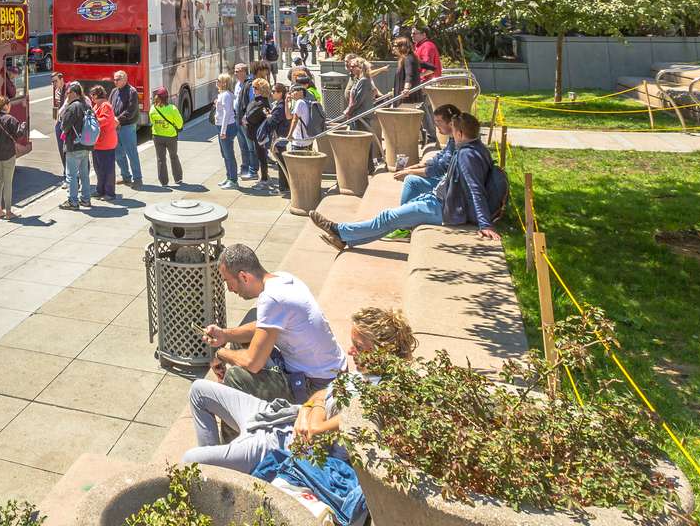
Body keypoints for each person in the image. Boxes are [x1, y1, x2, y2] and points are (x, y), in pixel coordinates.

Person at [182, 305, 415, 476]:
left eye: (360, 347)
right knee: (199, 390)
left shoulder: (375, 399)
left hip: (280, 443)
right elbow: (321, 394)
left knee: (191, 460)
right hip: (283, 415)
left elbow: (315, 432)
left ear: (383, 352)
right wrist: (310, 408)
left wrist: (312, 410)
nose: (351, 351)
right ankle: (215, 477)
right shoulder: (366, 374)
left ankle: (213, 472)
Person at [315, 112, 500, 251]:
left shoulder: (468, 154)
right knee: (392, 219)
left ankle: (339, 229)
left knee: (387, 217)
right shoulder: (475, 147)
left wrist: (485, 224)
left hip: (442, 208)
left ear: (459, 133)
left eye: (452, 130)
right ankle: (348, 240)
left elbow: (476, 189)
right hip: (438, 201)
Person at [203, 243, 346, 403]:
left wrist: (220, 353)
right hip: (333, 372)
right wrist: (225, 335)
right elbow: (261, 326)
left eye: (228, 281)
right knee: (239, 341)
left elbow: (253, 363)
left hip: (317, 387)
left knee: (235, 378)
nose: (229, 289)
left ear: (244, 277)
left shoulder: (272, 299)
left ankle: (241, 426)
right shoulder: (284, 279)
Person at [334, 56, 380, 170]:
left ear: (360, 67)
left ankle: (368, 166)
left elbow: (358, 100)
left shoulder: (364, 80)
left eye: (353, 66)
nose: (350, 68)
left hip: (361, 117)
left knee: (363, 142)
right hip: (357, 116)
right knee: (358, 142)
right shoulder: (358, 79)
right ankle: (363, 166)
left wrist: (348, 111)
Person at [56, 83, 93, 210]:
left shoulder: (72, 107)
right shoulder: (87, 105)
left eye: (68, 93)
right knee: (84, 174)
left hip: (74, 144)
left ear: (75, 93)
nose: (67, 95)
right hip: (86, 144)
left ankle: (72, 201)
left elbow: (64, 125)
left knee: (71, 175)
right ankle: (86, 199)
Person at [0, 95, 23, 219]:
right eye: (9, 104)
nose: (10, 106)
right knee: (8, 183)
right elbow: (18, 134)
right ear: (5, 106)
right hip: (8, 156)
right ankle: (8, 212)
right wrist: (23, 126)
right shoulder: (10, 119)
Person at [109, 70, 144, 189]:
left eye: (117, 79)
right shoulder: (114, 91)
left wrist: (118, 120)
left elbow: (131, 110)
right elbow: (110, 106)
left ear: (125, 79)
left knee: (131, 153)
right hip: (115, 126)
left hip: (127, 126)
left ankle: (138, 178)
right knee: (118, 153)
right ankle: (125, 176)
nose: (115, 81)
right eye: (114, 79)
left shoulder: (132, 91)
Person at [242, 77, 274, 188]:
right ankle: (264, 177)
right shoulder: (260, 101)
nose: (253, 89)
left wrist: (246, 118)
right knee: (260, 155)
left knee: (262, 156)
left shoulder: (261, 102)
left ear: (261, 89)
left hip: (258, 134)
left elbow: (250, 116)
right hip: (255, 133)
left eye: (255, 88)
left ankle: (264, 179)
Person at [148, 86, 184, 186]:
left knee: (160, 159)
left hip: (157, 136)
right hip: (171, 137)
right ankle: (178, 179)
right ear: (167, 97)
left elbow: (152, 122)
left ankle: (163, 182)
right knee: (173, 157)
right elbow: (180, 124)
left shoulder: (153, 109)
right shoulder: (172, 109)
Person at [89, 85, 119, 201]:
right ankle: (100, 190)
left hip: (106, 143)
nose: (91, 98)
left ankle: (110, 193)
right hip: (97, 143)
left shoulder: (106, 105)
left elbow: (105, 120)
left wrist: (92, 121)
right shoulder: (96, 105)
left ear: (96, 95)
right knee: (98, 168)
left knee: (107, 169)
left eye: (92, 95)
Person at [213, 73, 240, 190]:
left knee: (228, 154)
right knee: (225, 154)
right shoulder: (223, 95)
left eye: (218, 80)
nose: (216, 82)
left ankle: (233, 180)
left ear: (224, 83)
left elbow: (227, 113)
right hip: (222, 126)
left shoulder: (226, 95)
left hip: (226, 127)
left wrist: (223, 131)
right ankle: (229, 177)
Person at [231, 62, 255, 180]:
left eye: (237, 71)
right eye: (235, 71)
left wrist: (246, 117)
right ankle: (245, 168)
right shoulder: (237, 84)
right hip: (237, 118)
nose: (235, 73)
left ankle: (253, 170)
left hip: (246, 121)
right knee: (242, 146)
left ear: (244, 72)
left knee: (251, 147)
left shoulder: (250, 85)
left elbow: (252, 103)